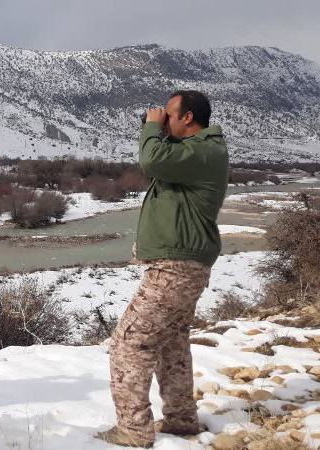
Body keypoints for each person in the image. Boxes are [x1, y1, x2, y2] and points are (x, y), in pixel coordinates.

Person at [96, 90, 229, 448]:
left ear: (188, 118)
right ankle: (182, 420)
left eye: (169, 114)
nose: (163, 119)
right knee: (170, 345)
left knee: (129, 343)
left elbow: (152, 161)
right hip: (183, 265)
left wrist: (152, 128)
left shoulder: (204, 150)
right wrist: (154, 127)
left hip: (176, 268)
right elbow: (158, 158)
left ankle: (133, 431)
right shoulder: (193, 153)